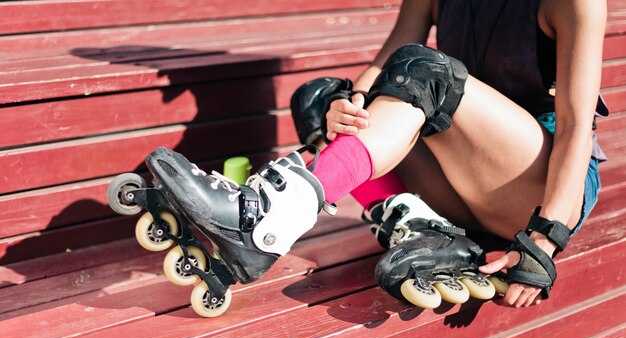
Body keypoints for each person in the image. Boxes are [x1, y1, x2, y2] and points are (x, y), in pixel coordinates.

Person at [135, 0, 607, 315]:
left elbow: (573, 128)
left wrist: (545, 241)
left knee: (429, 71)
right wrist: (349, 106)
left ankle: (266, 218)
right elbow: (386, 63)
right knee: (322, 100)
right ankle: (419, 226)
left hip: (536, 190)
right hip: (458, 172)